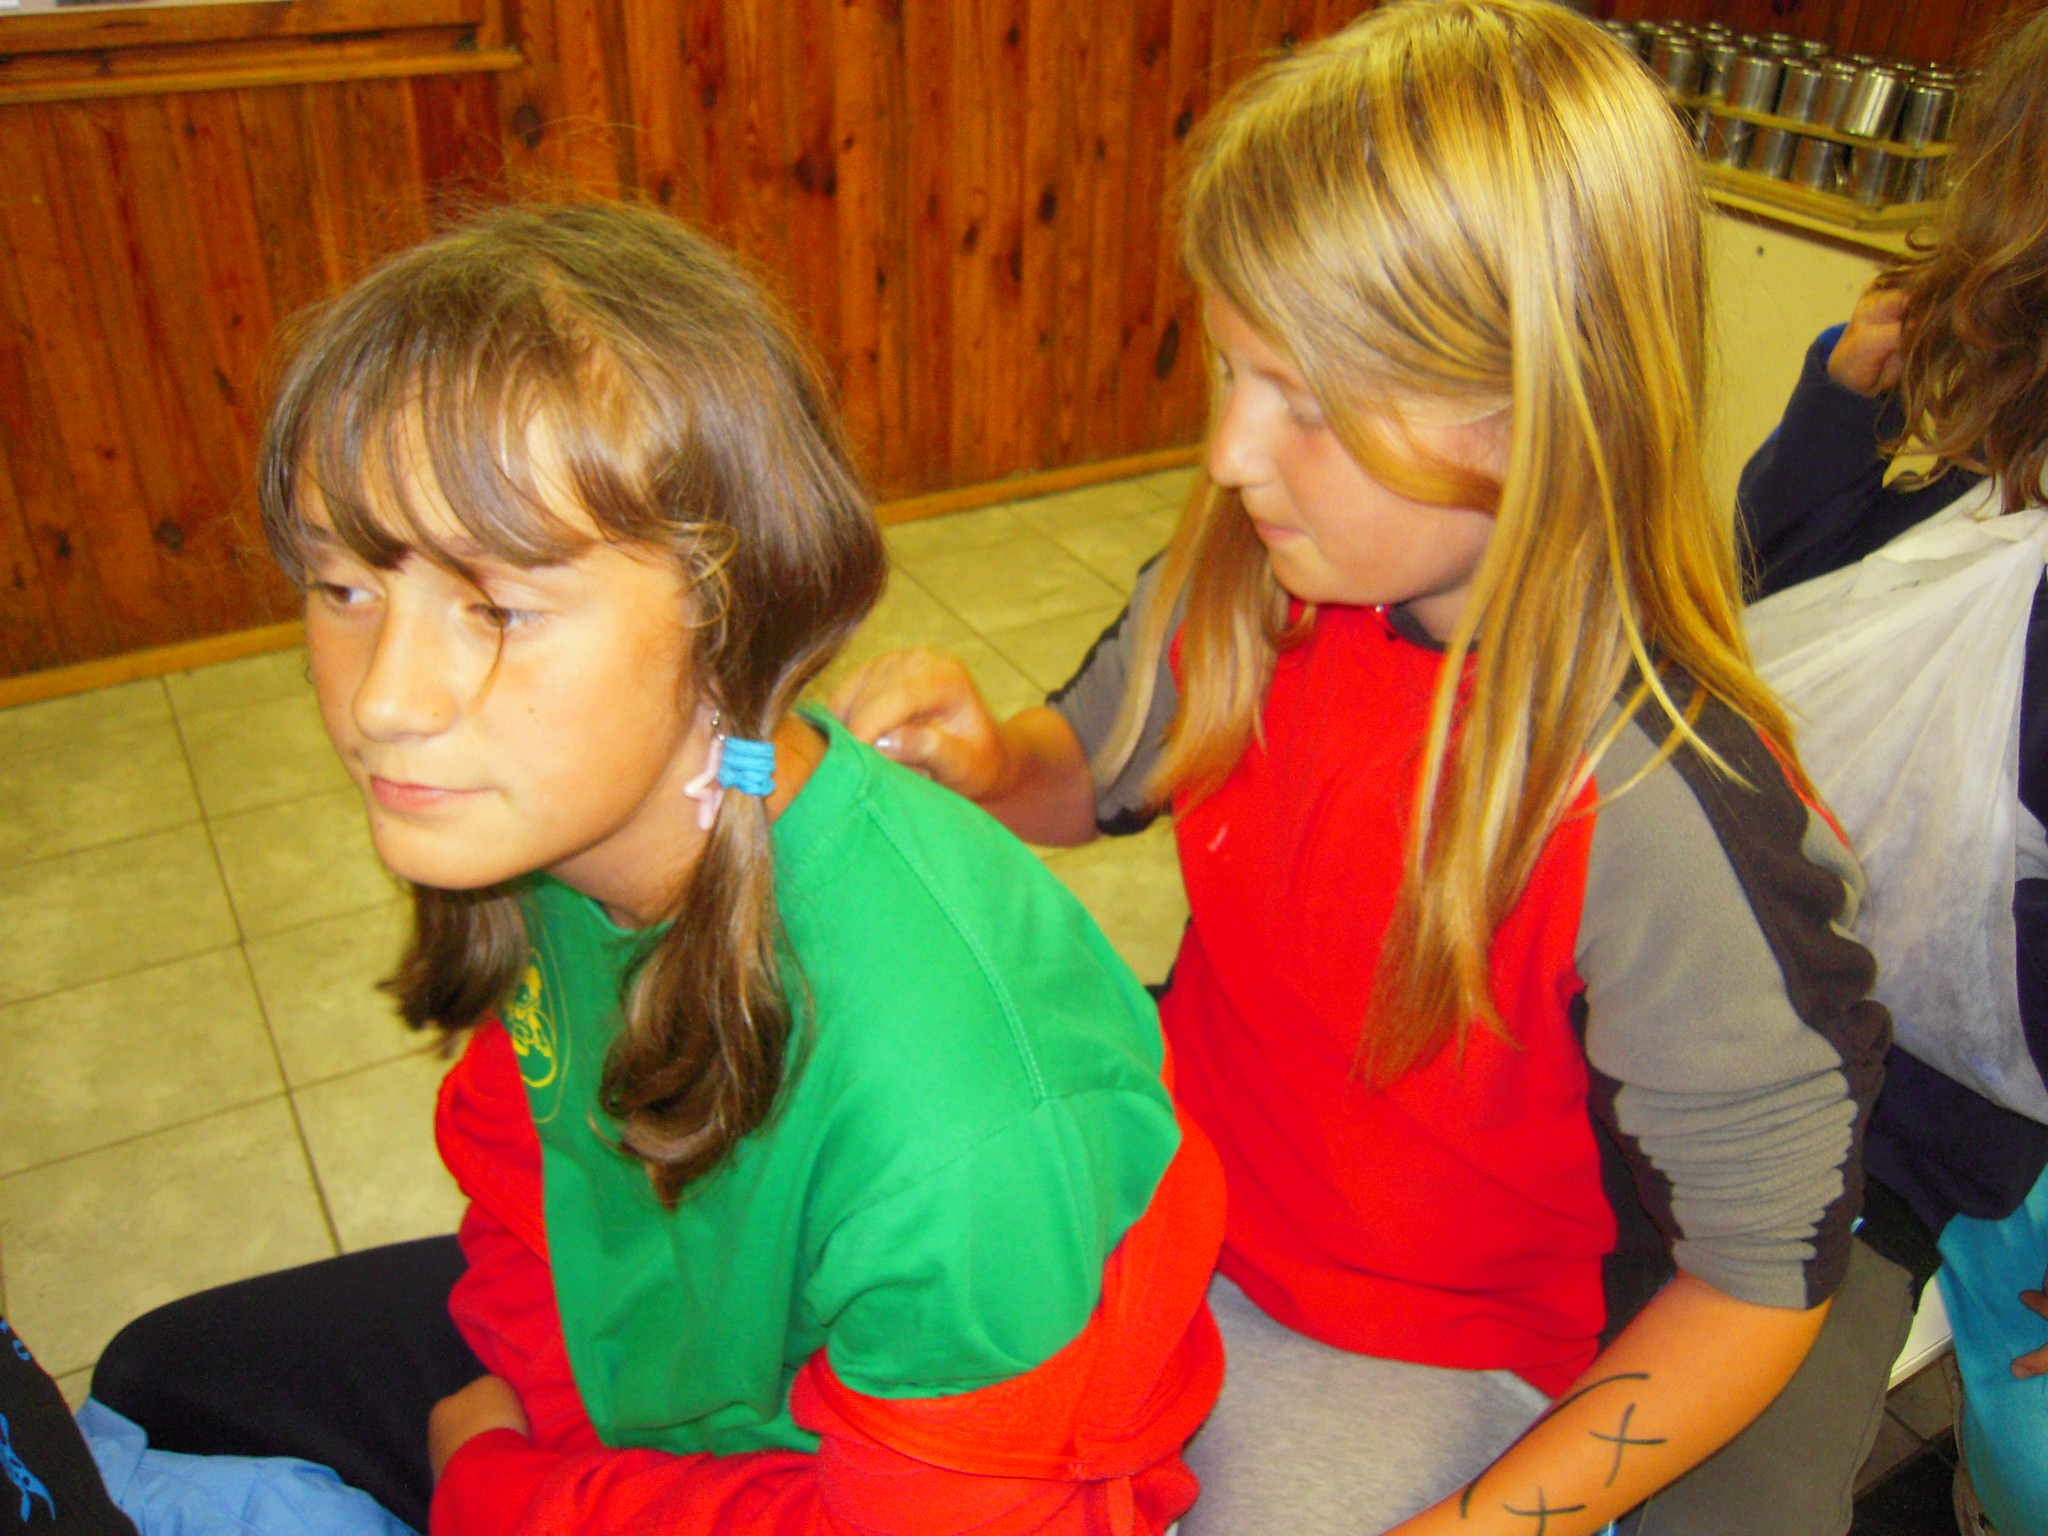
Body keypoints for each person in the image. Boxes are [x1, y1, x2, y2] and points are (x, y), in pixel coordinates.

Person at [830, 4, 1896, 1532]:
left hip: (1412, 1345)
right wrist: (993, 763)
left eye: (1310, 404)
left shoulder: (1657, 809)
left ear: (1538, 404)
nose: (1229, 454)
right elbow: (1093, 773)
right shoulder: (1249, 583)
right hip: (1162, 1197)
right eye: (1231, 372)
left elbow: (1757, 1279)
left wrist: (1489, 1522)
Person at [88, 203, 1226, 1536]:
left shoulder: (965, 1124)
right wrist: (553, 1436)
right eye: (345, 587)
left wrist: (507, 1495)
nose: (384, 699)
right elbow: (525, 1140)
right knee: (159, 1383)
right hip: (649, 1386)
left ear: (727, 609)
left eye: (498, 607)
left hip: (867, 1488)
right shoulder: (554, 819)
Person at [1738, 9, 2048, 1531]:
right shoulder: (1987, 513)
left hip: (1897, 1157)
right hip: (1741, 1058)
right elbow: (1783, 594)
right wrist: (1842, 400)